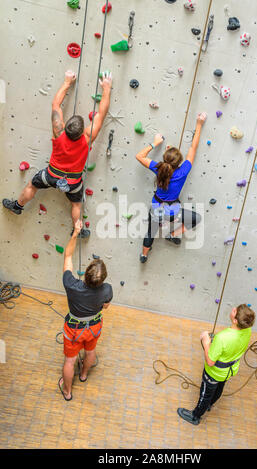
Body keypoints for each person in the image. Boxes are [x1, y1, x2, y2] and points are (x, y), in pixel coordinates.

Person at [2, 70, 113, 239]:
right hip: (72, 182)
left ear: (65, 125)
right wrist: (106, 88)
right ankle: (78, 230)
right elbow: (102, 114)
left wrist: (67, 81)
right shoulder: (87, 138)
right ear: (82, 130)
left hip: (51, 175)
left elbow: (55, 105)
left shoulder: (58, 131)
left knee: (32, 185)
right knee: (76, 203)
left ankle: (17, 206)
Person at [135, 112, 207, 263]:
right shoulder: (183, 171)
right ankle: (172, 235)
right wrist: (199, 124)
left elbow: (139, 156)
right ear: (179, 162)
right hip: (173, 213)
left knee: (150, 232)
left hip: (156, 208)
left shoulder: (159, 167)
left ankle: (144, 255)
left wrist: (155, 143)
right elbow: (193, 148)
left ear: (165, 159)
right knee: (196, 218)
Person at [58, 219, 113, 401]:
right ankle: (83, 375)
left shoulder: (71, 284)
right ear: (102, 279)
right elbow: (105, 306)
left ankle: (67, 392)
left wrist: (75, 233)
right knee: (90, 352)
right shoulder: (107, 290)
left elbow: (67, 257)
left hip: (74, 330)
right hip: (94, 327)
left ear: (86, 272)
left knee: (70, 360)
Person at [177, 304, 256, 425]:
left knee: (206, 394)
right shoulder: (247, 329)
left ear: (235, 320)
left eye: (235, 310)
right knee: (219, 388)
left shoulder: (222, 338)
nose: (233, 308)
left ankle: (195, 416)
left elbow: (210, 361)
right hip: (229, 371)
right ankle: (209, 404)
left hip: (214, 373)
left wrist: (206, 341)